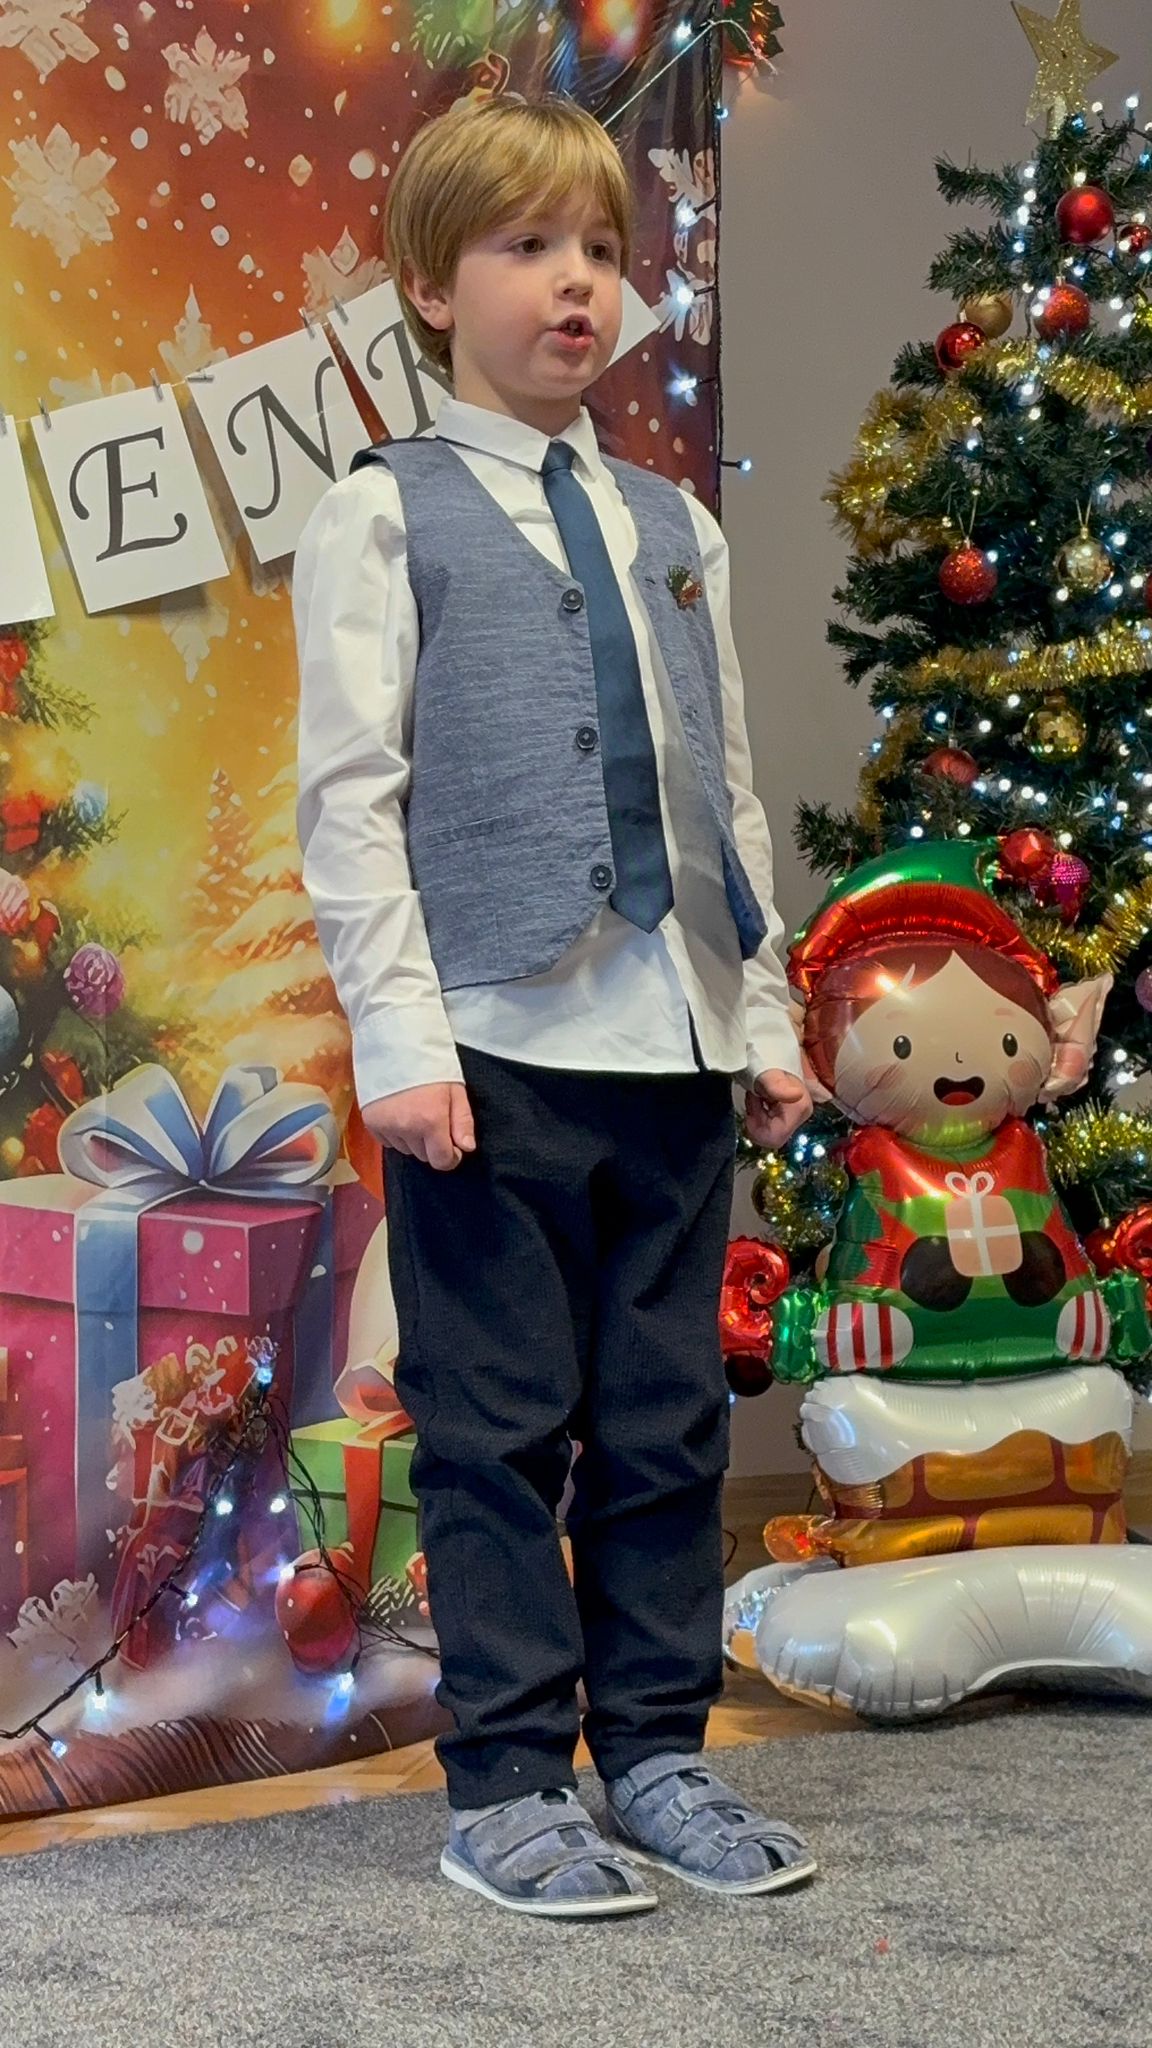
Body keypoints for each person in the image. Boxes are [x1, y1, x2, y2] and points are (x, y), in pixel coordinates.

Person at [293, 93, 815, 1919]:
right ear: (435, 286)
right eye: (526, 248)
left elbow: (722, 789)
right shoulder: (383, 514)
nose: (576, 283)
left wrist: (762, 1014)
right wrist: (397, 1039)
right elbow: (351, 800)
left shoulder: (675, 524)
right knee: (498, 1426)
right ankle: (508, 1778)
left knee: (668, 1424)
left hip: (670, 1045)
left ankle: (658, 1749)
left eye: (599, 247)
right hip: (492, 1056)